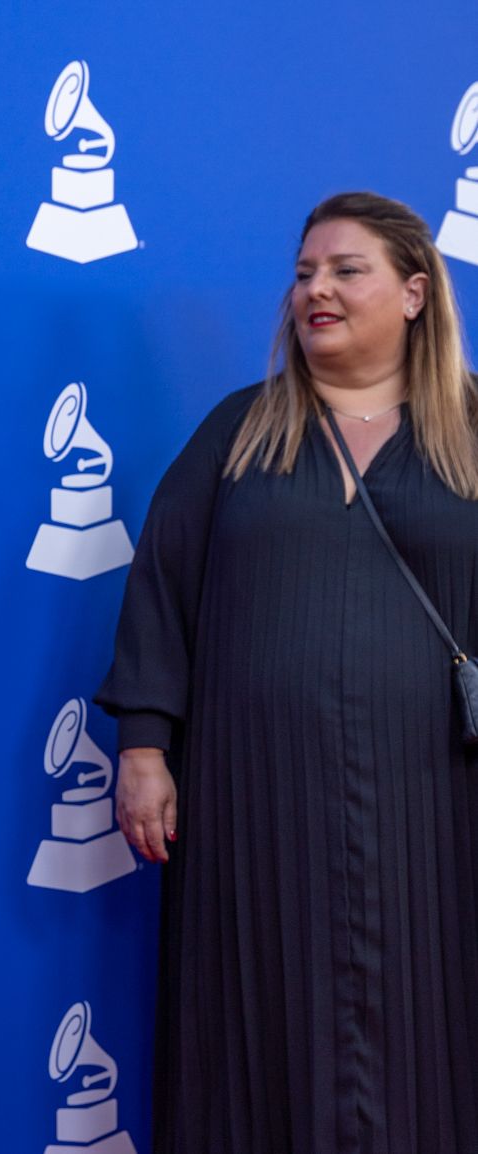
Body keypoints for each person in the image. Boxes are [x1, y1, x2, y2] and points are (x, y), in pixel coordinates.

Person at [97, 191, 478, 1153]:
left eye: (346, 270)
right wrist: (143, 746)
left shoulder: (472, 432)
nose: (316, 290)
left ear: (414, 293)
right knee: (253, 1021)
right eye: (304, 272)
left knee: (430, 1023)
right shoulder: (240, 430)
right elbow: (159, 585)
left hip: (437, 805)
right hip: (253, 803)